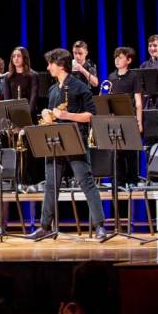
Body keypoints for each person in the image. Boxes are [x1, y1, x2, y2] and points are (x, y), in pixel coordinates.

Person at [28, 49, 106, 240]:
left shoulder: (80, 87)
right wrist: (47, 114)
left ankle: (100, 226)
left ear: (60, 65)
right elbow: (53, 115)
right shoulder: (53, 89)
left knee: (86, 182)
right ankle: (45, 227)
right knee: (51, 185)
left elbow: (90, 115)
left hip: (75, 139)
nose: (48, 68)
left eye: (50, 64)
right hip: (54, 141)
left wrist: (67, 116)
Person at [108, 47, 143, 188]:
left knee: (131, 151)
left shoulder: (134, 76)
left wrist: (139, 121)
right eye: (116, 57)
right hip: (115, 119)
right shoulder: (111, 77)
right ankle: (118, 182)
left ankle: (133, 180)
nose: (117, 59)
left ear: (128, 60)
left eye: (121, 57)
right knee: (117, 152)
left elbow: (138, 102)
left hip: (130, 118)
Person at [3, 47, 38, 117]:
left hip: (29, 114)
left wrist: (28, 114)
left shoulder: (33, 75)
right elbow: (7, 99)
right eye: (14, 56)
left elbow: (33, 98)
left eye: (19, 56)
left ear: (24, 58)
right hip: (13, 114)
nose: (16, 58)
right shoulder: (8, 77)